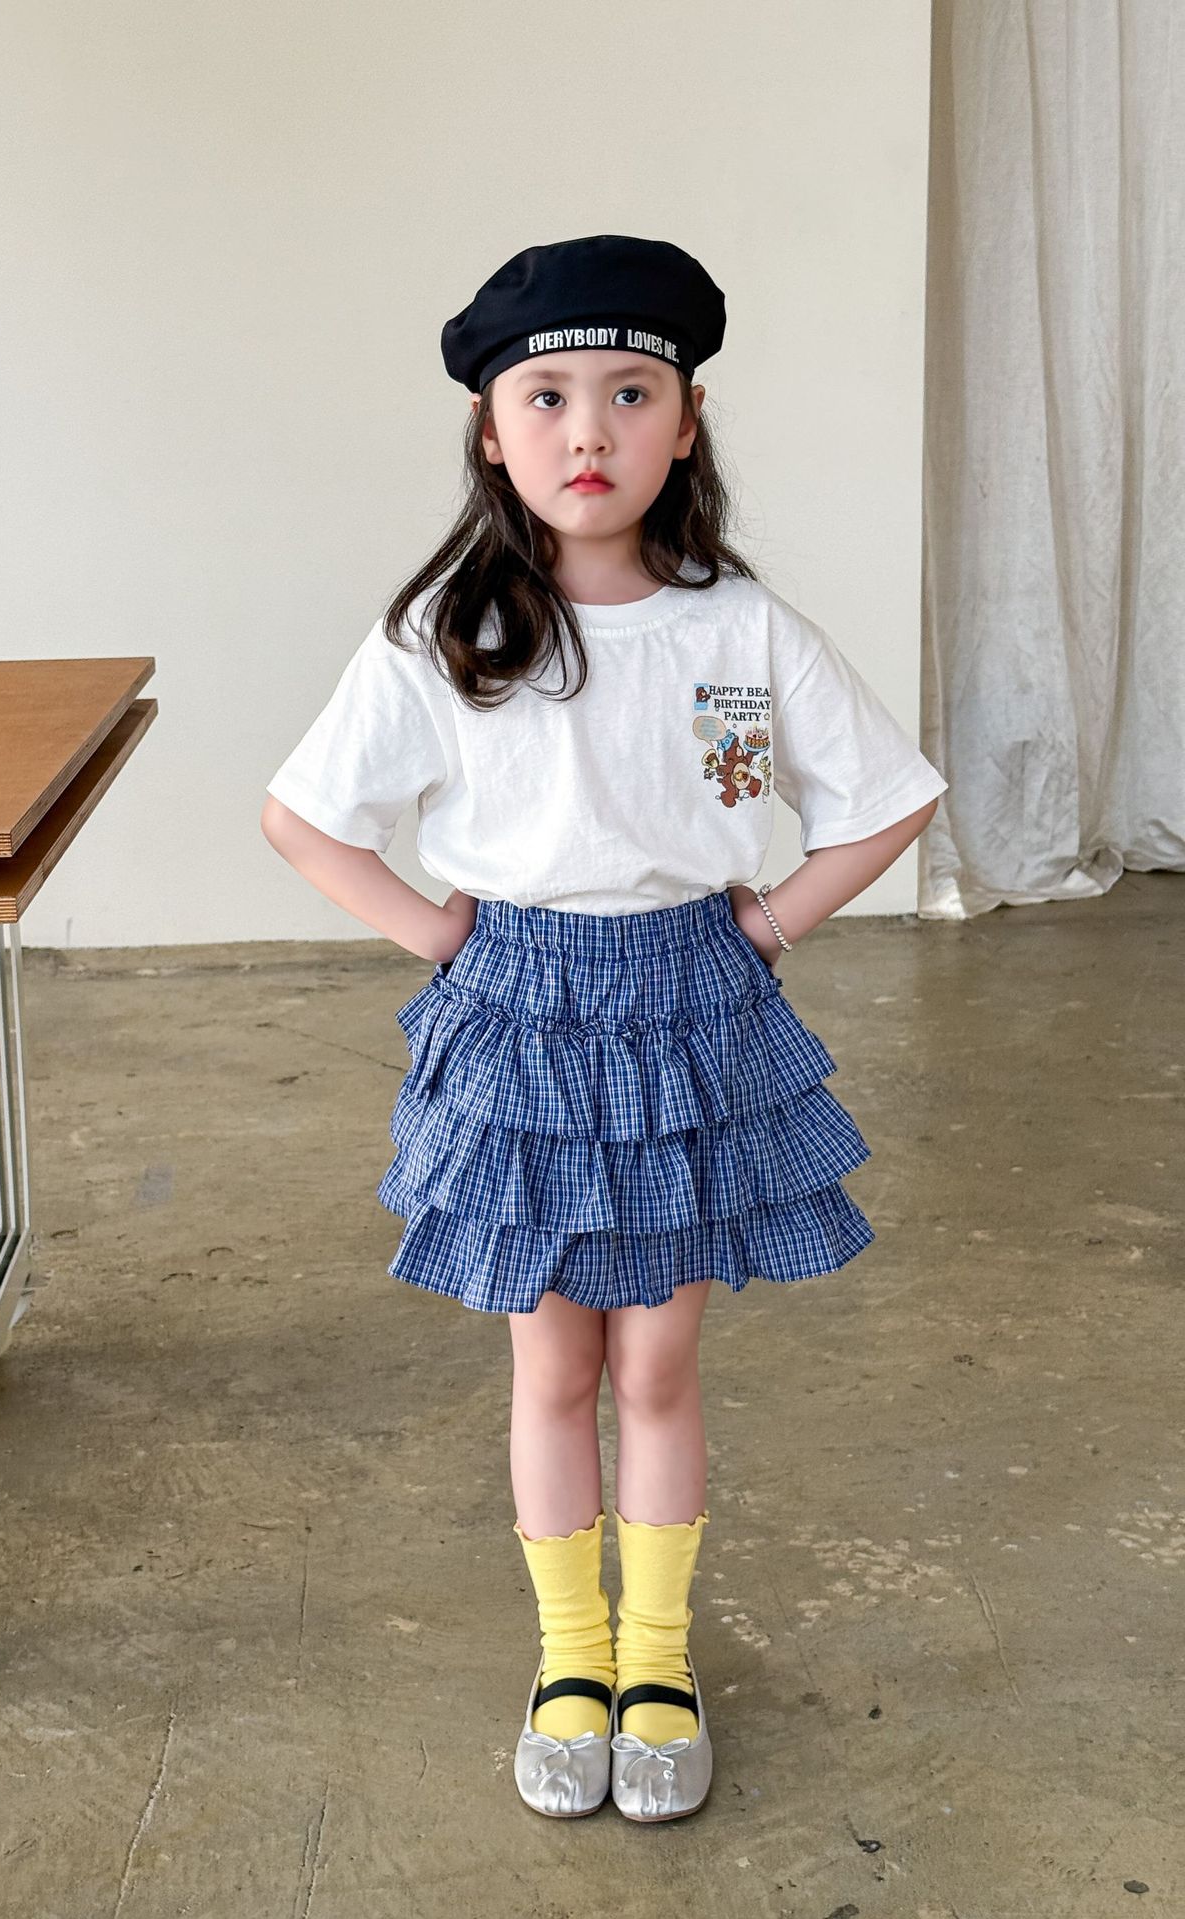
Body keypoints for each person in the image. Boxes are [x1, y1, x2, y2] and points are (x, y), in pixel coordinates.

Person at [260, 233, 948, 1823]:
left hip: (691, 1013)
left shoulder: (738, 629)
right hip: (519, 1027)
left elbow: (887, 799)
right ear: (492, 433)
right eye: (549, 397)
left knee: (658, 1362)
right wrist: (443, 935)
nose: (591, 432)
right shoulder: (449, 629)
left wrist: (770, 919)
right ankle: (571, 1660)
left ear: (686, 426)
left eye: (632, 394)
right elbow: (306, 818)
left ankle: (659, 1661)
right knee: (552, 1361)